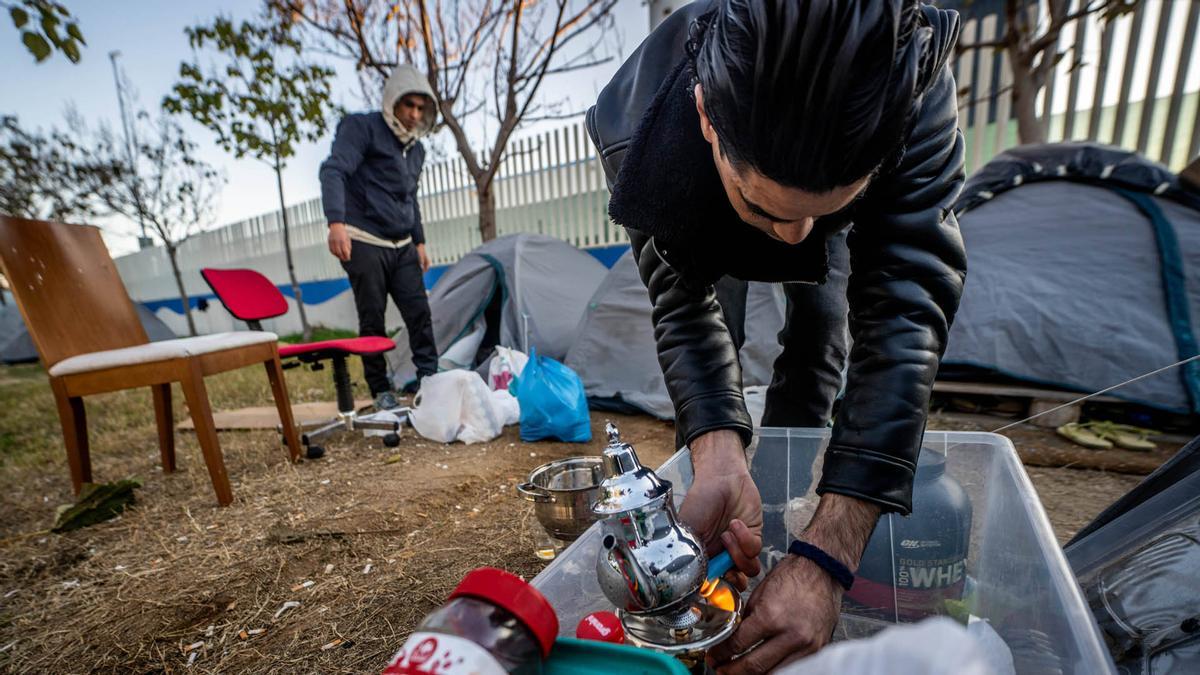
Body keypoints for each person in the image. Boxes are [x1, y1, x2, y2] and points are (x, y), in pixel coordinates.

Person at [586, 1, 967, 672]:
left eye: (827, 209)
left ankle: (785, 482)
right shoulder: (634, 130)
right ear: (706, 115)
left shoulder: (913, 81)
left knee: (823, 322)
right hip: (694, 190)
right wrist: (717, 457)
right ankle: (728, 487)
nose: (794, 238)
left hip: (797, 164)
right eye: (763, 205)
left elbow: (905, 315)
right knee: (722, 330)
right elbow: (683, 308)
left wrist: (826, 556)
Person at [320, 64, 439, 410]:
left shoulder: (417, 150)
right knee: (372, 317)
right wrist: (336, 222)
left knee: (419, 312)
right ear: (392, 103)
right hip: (363, 239)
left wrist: (419, 241)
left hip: (402, 244)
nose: (415, 114)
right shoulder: (362, 129)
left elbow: (410, 198)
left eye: (421, 108)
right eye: (408, 106)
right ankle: (380, 388)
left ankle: (429, 379)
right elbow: (334, 170)